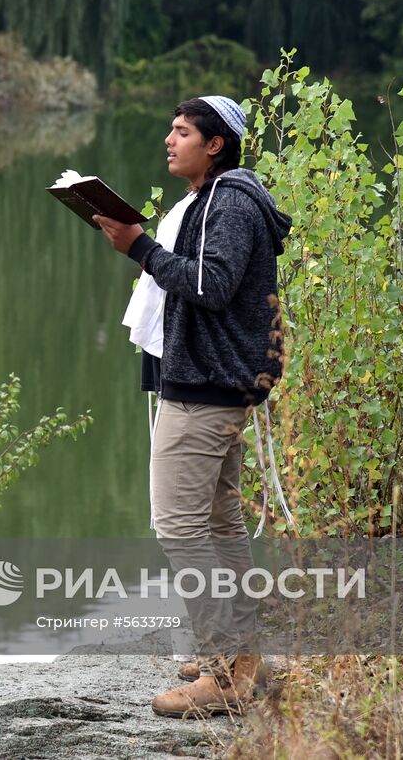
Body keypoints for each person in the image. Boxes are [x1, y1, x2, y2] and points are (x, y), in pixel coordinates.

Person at [93, 95, 291, 718]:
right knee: (220, 524)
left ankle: (222, 671)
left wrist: (140, 248)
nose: (169, 141)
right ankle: (241, 657)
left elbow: (210, 284)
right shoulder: (216, 200)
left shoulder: (228, 203)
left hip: (206, 387)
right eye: (169, 131)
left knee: (178, 526)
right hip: (217, 381)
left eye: (181, 132)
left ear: (215, 144)